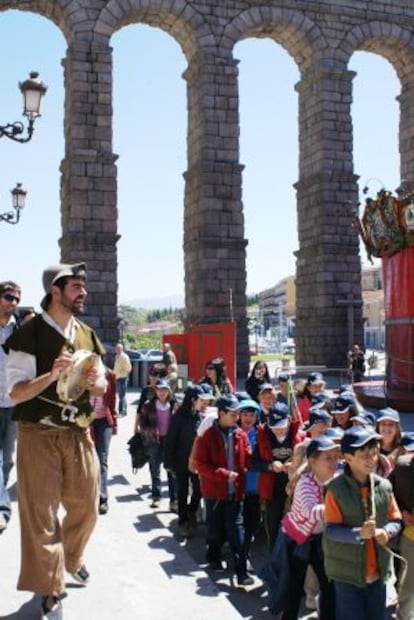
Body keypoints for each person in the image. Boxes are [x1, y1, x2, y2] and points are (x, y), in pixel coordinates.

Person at [5, 262, 107, 620]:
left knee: (87, 505)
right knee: (41, 515)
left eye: (83, 285)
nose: (83, 291)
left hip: (77, 431)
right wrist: (52, 375)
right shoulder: (29, 333)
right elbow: (16, 394)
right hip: (36, 431)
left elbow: (103, 384)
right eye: (75, 286)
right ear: (56, 291)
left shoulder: (86, 333)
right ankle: (51, 589)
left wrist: (96, 383)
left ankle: (71, 557)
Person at [324, 426, 402, 620]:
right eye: (364, 454)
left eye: (374, 453)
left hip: (378, 572)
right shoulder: (335, 489)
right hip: (347, 574)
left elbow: (396, 519)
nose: (371, 459)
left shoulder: (384, 486)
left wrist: (388, 532)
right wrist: (359, 533)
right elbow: (332, 530)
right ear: (347, 458)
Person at [194, 393, 253, 586]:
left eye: (238, 413)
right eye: (233, 414)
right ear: (221, 413)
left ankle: (241, 572)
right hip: (214, 494)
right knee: (215, 530)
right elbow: (200, 465)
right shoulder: (207, 436)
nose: (237, 418)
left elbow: (248, 456)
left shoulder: (240, 435)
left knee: (238, 533)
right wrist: (224, 474)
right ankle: (214, 557)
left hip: (235, 494)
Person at [280, 435, 339, 620]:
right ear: (313, 462)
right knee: (294, 588)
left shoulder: (334, 479)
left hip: (318, 538)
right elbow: (310, 510)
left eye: (335, 457)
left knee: (329, 584)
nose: (334, 462)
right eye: (327, 458)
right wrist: (339, 508)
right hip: (298, 540)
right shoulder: (305, 483)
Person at [255, 401, 305, 550]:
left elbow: (309, 460)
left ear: (288, 420)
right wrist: (270, 466)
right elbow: (253, 462)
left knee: (296, 524)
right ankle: (274, 555)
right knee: (273, 522)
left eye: (282, 427)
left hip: (296, 487)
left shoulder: (299, 435)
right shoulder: (262, 436)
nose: (279, 431)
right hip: (273, 488)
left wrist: (296, 465)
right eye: (275, 428)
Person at [164, 384, 210, 537]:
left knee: (200, 489)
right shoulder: (178, 418)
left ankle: (191, 511)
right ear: (192, 400)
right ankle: (183, 521)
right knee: (182, 491)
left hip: (197, 462)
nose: (203, 404)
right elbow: (170, 441)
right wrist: (168, 463)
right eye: (200, 400)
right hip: (180, 461)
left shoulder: (199, 416)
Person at [0, 281, 21, 533]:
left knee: (8, 460)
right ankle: (4, 508)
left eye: (16, 298)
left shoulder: (22, 330)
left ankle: (1, 494)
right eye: (8, 297)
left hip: (13, 403)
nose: (13, 302)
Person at [138, 378, 177, 510]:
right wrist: (150, 433)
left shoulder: (173, 404)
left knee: (171, 469)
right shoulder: (149, 405)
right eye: (160, 390)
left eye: (165, 390)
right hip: (154, 440)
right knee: (155, 469)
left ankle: (174, 500)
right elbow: (142, 422)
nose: (162, 393)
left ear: (169, 391)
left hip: (169, 441)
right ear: (156, 391)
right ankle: (156, 496)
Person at [389, 433, 414, 620]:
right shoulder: (402, 467)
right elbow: (387, 493)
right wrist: (402, 510)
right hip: (411, 535)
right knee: (408, 583)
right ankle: (403, 616)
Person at [90, 367, 118, 515]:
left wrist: (114, 422)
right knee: (85, 460)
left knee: (102, 459)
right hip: (85, 421)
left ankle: (103, 498)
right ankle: (88, 497)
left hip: (103, 422)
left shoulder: (109, 374)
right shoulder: (81, 373)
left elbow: (112, 398)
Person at [113, 342, 132, 416]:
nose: (117, 350)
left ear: (122, 349)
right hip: (118, 378)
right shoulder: (117, 356)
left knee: (122, 396)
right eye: (116, 348)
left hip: (123, 378)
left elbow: (128, 368)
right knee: (121, 396)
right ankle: (122, 411)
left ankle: (122, 412)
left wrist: (122, 373)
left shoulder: (124, 357)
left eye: (119, 348)